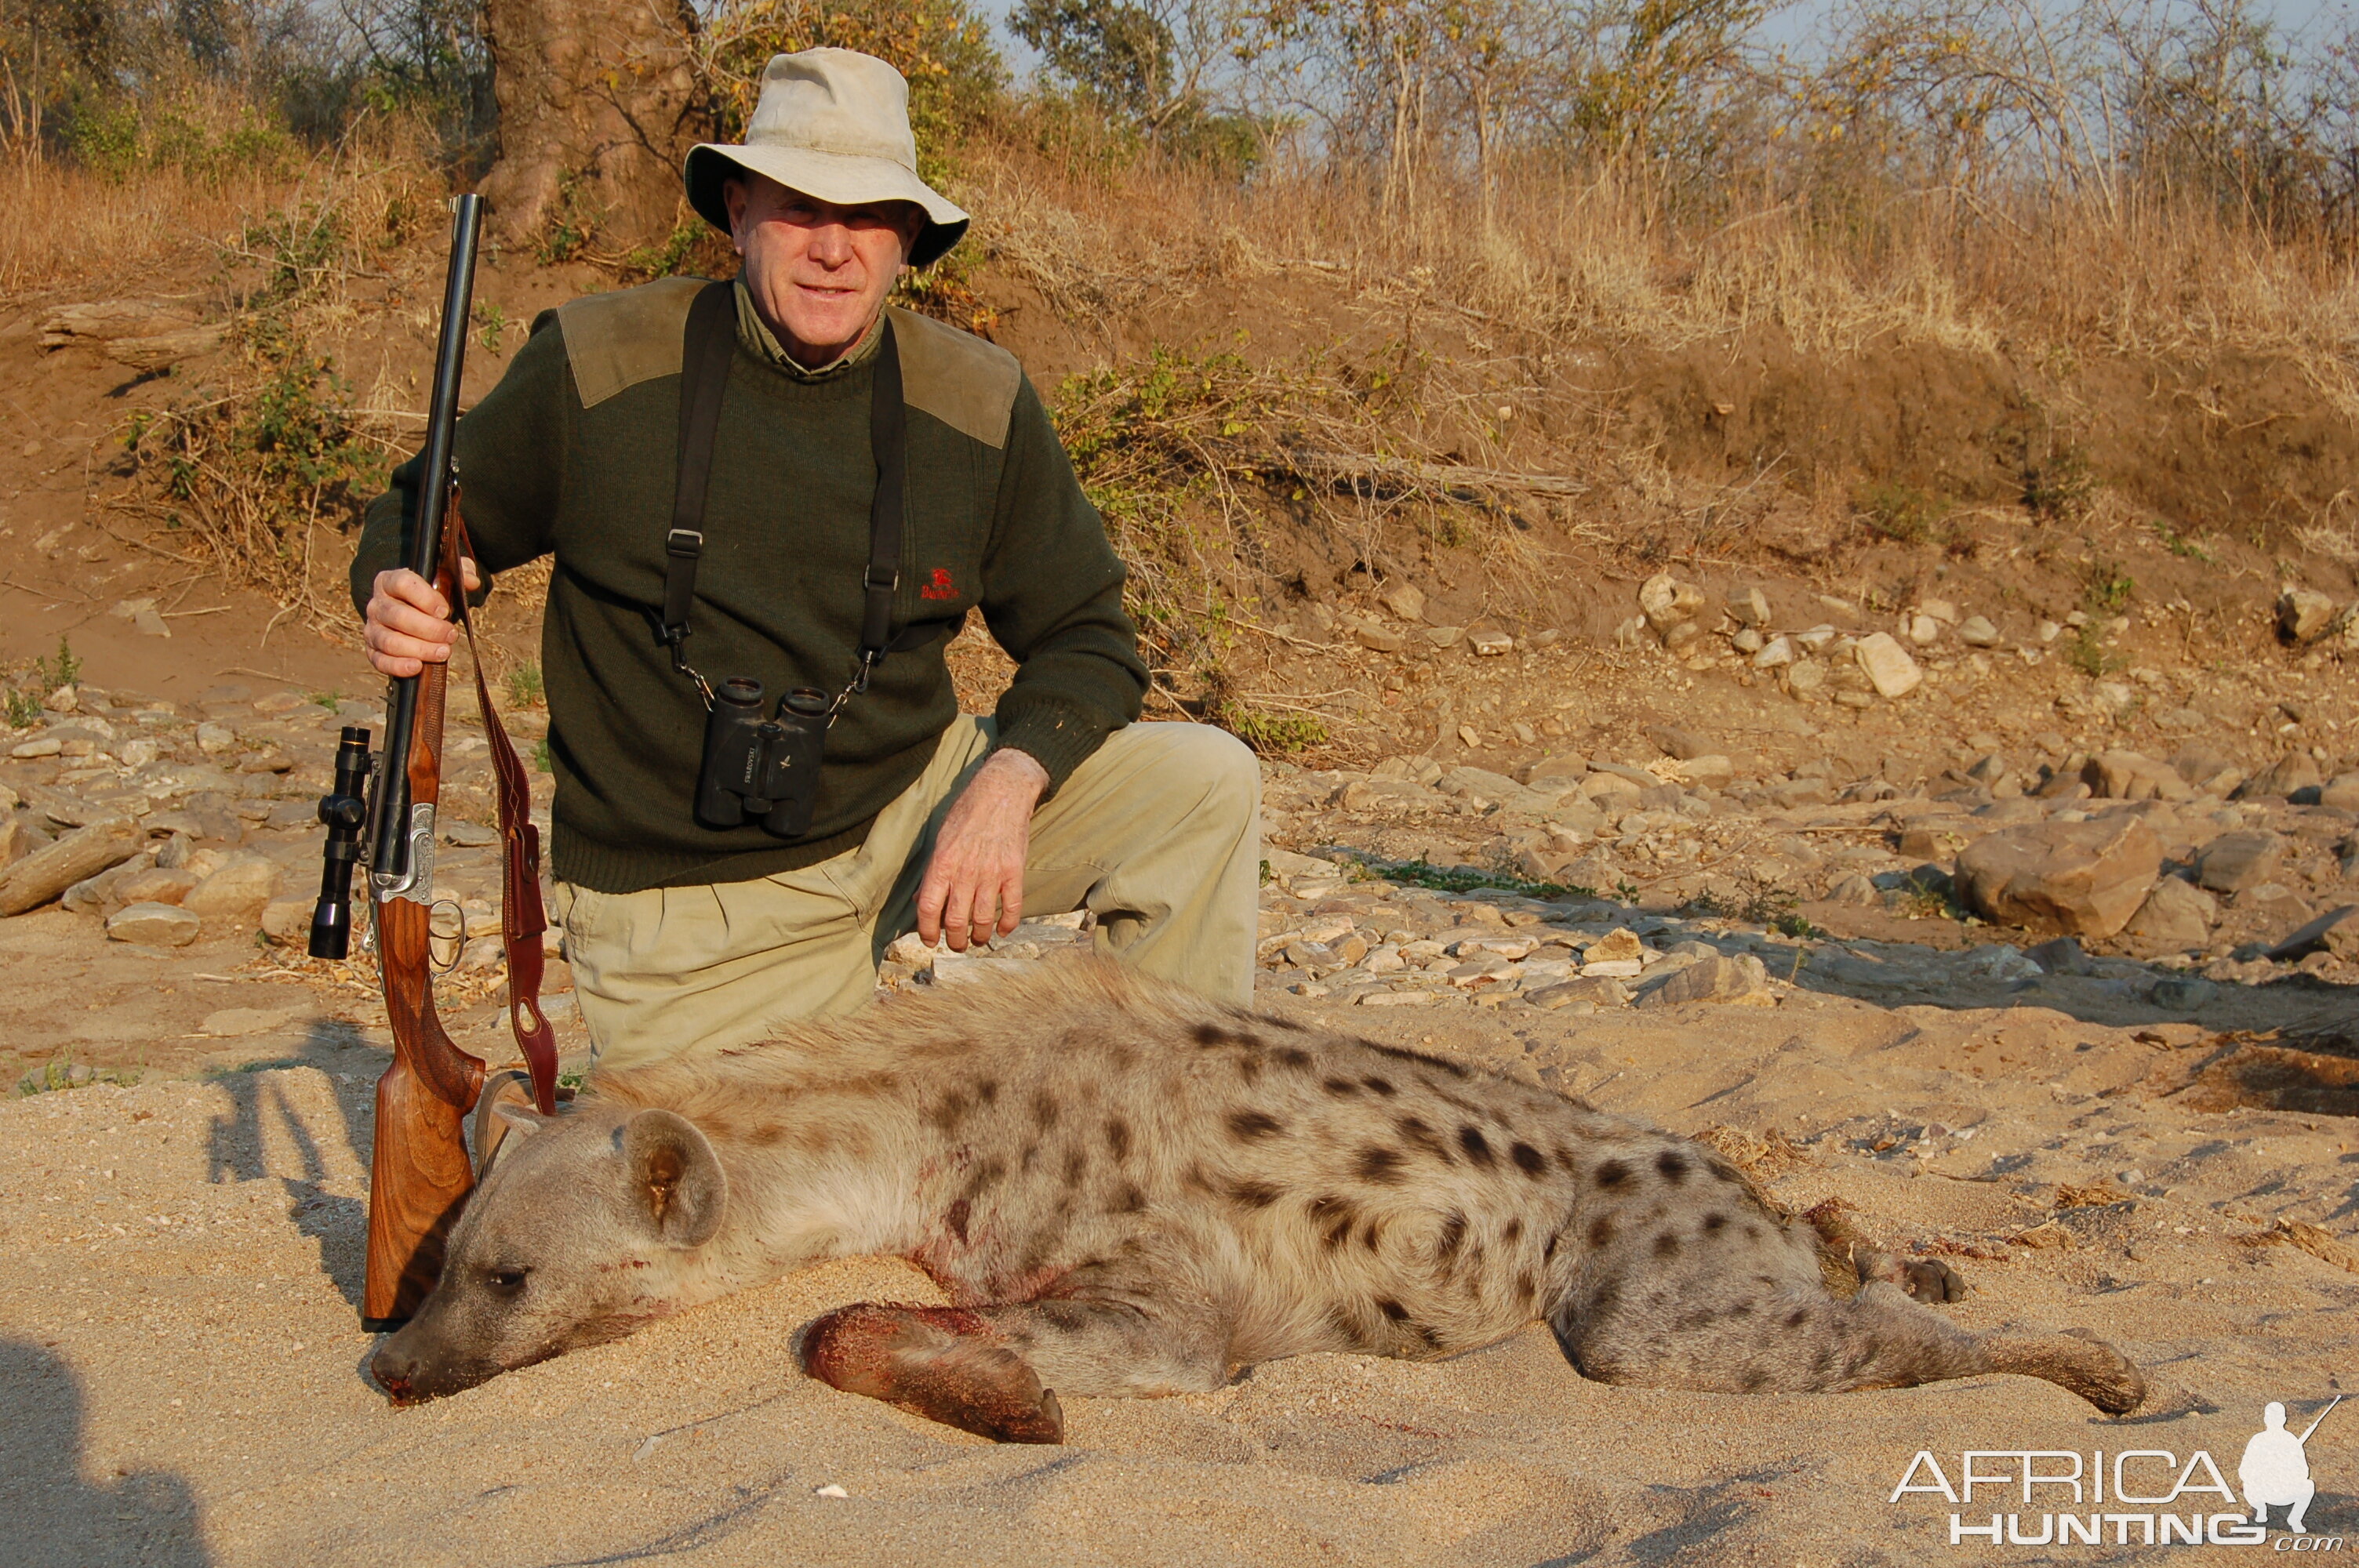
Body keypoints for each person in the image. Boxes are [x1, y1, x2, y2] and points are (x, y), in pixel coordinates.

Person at [352, 47, 1259, 1070]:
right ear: (737, 212)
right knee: (742, 1201)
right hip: (695, 896)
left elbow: (1089, 636)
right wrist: (396, 588)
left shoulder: (978, 397)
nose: (835, 246)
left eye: (870, 215)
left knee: (1204, 780)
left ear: (909, 238)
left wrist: (1007, 783)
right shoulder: (597, 363)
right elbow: (422, 513)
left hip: (911, 808)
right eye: (801, 207)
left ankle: (1168, 1137)